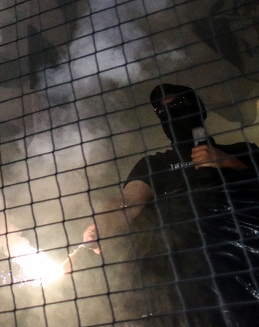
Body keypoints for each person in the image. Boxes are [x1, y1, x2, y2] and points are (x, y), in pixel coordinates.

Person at [84, 83, 259, 248]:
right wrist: (104, 224)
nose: (172, 114)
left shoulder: (243, 151)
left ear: (198, 107)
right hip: (188, 264)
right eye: (162, 111)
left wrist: (230, 163)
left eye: (180, 104)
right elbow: (129, 200)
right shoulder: (153, 165)